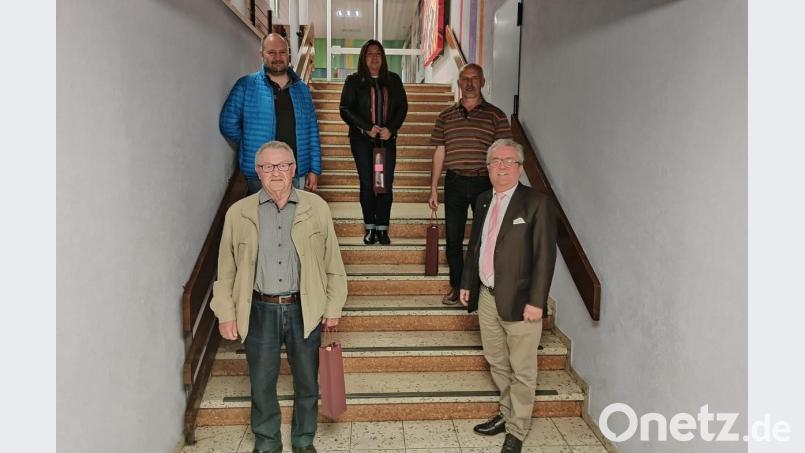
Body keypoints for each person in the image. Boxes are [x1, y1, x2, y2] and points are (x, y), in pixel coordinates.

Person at [210, 141, 347, 453]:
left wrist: (333, 304)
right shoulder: (239, 213)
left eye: (282, 165)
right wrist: (226, 313)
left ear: (294, 169)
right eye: (268, 166)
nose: (275, 172)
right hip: (259, 308)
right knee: (261, 383)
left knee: (307, 383)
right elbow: (226, 269)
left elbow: (332, 263)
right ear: (258, 171)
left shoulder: (317, 208)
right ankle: (267, 441)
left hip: (305, 307)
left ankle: (303, 441)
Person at [459, 139, 557, 453]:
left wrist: (537, 301)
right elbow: (476, 246)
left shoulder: (537, 203)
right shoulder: (484, 199)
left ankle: (517, 428)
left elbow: (545, 257)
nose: (501, 166)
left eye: (508, 160)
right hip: (487, 296)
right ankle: (506, 412)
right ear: (487, 168)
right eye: (495, 161)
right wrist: (467, 283)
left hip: (522, 299)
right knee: (497, 360)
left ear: (520, 167)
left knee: (523, 368)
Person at [428, 63, 512, 304]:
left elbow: (504, 154)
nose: (469, 83)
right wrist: (433, 187)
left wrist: (502, 187)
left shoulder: (496, 115)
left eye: (475, 78)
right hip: (454, 181)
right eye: (465, 78)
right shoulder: (445, 116)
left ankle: (479, 288)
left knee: (485, 237)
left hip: (484, 184)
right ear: (459, 83)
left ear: (482, 82)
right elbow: (440, 152)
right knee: (453, 239)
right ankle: (457, 286)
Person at [220, 33, 322, 195]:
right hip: (260, 174)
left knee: (293, 219)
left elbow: (312, 131)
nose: (277, 57)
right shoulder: (246, 85)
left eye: (282, 52)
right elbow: (227, 123)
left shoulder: (302, 89)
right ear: (262, 54)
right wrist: (249, 141)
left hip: (295, 172)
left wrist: (314, 169)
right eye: (271, 52)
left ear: (288, 55)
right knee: (261, 219)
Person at [339, 39, 408, 245]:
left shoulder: (393, 80)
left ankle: (383, 229)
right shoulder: (354, 81)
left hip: (386, 143)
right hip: (362, 141)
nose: (374, 58)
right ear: (363, 57)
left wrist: (391, 128)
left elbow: (402, 108)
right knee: (368, 183)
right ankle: (370, 228)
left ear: (383, 58)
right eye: (370, 54)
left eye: (378, 54)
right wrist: (366, 127)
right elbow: (345, 109)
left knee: (383, 184)